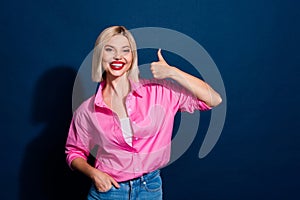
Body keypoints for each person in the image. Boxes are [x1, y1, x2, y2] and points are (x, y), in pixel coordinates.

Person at [65, 25, 222, 200]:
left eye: (125, 50)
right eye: (110, 49)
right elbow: (74, 152)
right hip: (109, 192)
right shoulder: (87, 110)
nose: (118, 56)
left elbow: (214, 99)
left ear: (132, 57)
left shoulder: (159, 91)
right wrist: (94, 173)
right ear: (100, 56)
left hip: (150, 189)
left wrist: (173, 73)